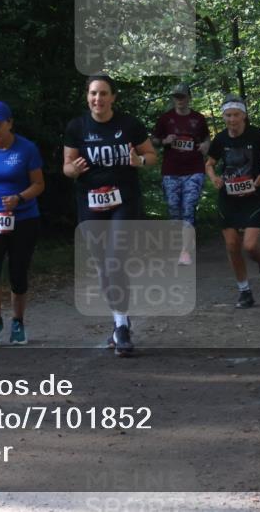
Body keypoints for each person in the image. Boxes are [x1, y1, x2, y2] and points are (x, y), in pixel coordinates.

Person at [63, 74, 157, 356]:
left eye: (104, 93)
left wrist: (138, 160)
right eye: (93, 93)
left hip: (123, 201)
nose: (98, 99)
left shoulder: (129, 125)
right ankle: (121, 317)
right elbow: (66, 166)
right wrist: (74, 170)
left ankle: (121, 327)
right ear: (87, 97)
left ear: (113, 97)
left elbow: (152, 156)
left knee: (115, 259)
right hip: (90, 202)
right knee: (104, 265)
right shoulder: (77, 127)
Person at [0, 101, 45, 346]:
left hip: (23, 218)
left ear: (9, 123)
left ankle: (18, 322)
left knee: (17, 273)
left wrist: (19, 197)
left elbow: (39, 184)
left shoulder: (27, 149)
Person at [205, 94, 260, 308]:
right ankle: (244, 291)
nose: (232, 119)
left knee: (250, 245)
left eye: (236, 115)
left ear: (244, 116)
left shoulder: (255, 135)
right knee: (231, 245)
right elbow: (209, 163)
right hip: (228, 196)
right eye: (228, 115)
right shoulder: (220, 139)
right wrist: (214, 178)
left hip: (254, 196)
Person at [151, 82, 211, 265]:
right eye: (176, 97)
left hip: (194, 169)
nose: (179, 100)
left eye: (182, 97)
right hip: (171, 170)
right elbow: (153, 140)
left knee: (188, 207)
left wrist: (206, 145)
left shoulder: (199, 119)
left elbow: (207, 138)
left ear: (189, 98)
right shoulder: (165, 119)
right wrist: (164, 140)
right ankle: (178, 247)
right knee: (173, 208)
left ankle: (185, 252)